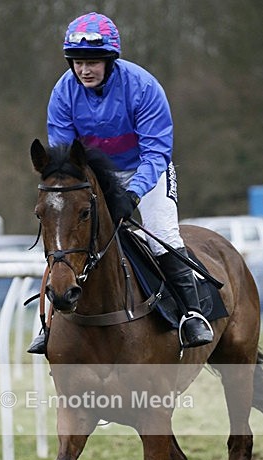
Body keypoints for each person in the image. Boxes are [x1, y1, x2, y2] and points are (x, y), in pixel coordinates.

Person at [29, 11, 213, 354]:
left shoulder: (143, 88)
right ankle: (51, 321)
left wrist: (133, 192)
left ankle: (192, 314)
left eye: (93, 61)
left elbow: (157, 151)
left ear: (110, 60)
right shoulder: (63, 93)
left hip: (148, 169)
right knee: (70, 235)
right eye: (77, 62)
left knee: (162, 234)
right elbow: (64, 155)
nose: (84, 70)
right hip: (95, 175)